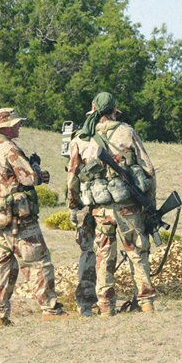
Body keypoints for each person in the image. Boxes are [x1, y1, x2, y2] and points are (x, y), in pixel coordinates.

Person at [67, 92, 158, 315]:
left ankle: (106, 305)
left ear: (93, 108)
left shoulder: (81, 138)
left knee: (104, 254)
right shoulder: (127, 132)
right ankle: (146, 302)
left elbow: (73, 178)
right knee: (137, 250)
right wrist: (150, 204)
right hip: (128, 205)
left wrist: (73, 207)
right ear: (114, 109)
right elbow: (149, 169)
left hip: (101, 208)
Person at [0, 107, 66, 325]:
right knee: (38, 261)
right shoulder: (9, 148)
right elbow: (29, 179)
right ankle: (50, 308)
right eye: (17, 123)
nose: (19, 126)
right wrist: (40, 171)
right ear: (7, 127)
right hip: (19, 219)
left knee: (2, 266)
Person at [65, 134, 98, 316]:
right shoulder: (122, 135)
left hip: (86, 205)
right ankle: (103, 299)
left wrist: (72, 207)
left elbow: (72, 178)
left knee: (89, 252)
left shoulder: (78, 141)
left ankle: (86, 303)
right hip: (117, 204)